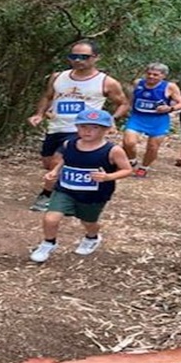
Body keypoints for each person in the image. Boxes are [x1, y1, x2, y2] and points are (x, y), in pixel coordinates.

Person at [27, 39, 129, 211]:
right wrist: (39, 114)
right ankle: (70, 192)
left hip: (82, 130)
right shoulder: (58, 77)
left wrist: (110, 120)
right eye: (73, 56)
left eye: (84, 56)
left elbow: (123, 103)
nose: (78, 60)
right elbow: (48, 96)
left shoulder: (106, 82)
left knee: (58, 161)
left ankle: (47, 196)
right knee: (47, 162)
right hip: (56, 127)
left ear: (95, 58)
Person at [29, 109, 132, 263]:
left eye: (95, 127)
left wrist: (108, 177)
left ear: (106, 129)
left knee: (88, 221)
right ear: (76, 127)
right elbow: (66, 159)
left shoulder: (113, 150)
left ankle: (92, 237)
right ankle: (48, 243)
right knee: (51, 218)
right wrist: (55, 171)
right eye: (83, 126)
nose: (87, 131)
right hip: (65, 189)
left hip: (93, 195)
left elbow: (127, 170)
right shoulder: (69, 144)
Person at [121, 63, 181, 177]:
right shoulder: (138, 83)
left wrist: (170, 108)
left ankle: (144, 167)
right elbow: (131, 99)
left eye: (155, 75)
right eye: (149, 74)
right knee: (128, 142)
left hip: (158, 120)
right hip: (137, 117)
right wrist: (124, 110)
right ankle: (132, 160)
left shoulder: (169, 86)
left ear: (163, 76)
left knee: (152, 147)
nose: (151, 77)